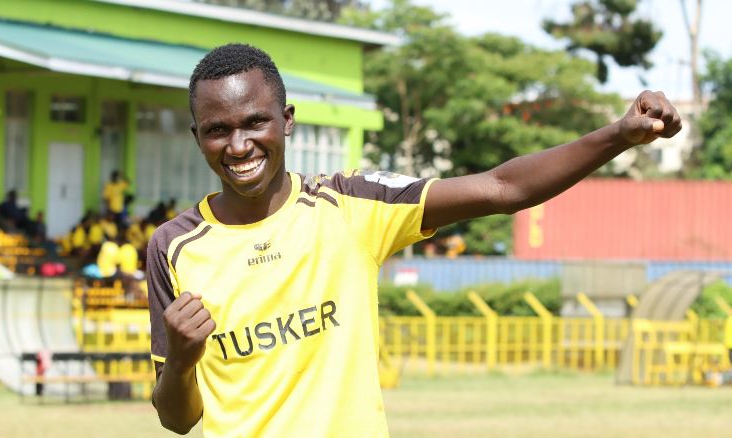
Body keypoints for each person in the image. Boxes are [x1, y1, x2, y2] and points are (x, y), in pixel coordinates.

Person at [147, 44, 682, 438]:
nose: (239, 145)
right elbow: (178, 419)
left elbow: (502, 188)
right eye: (217, 129)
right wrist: (182, 361)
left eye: (255, 122)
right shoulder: (173, 247)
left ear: (286, 122)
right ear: (197, 135)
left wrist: (616, 135)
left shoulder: (351, 205)